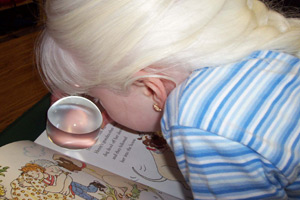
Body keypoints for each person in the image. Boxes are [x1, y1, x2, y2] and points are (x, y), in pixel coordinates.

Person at [36, 0, 300, 199]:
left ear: (151, 89)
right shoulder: (269, 38)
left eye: (97, 97)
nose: (100, 106)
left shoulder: (200, 126)